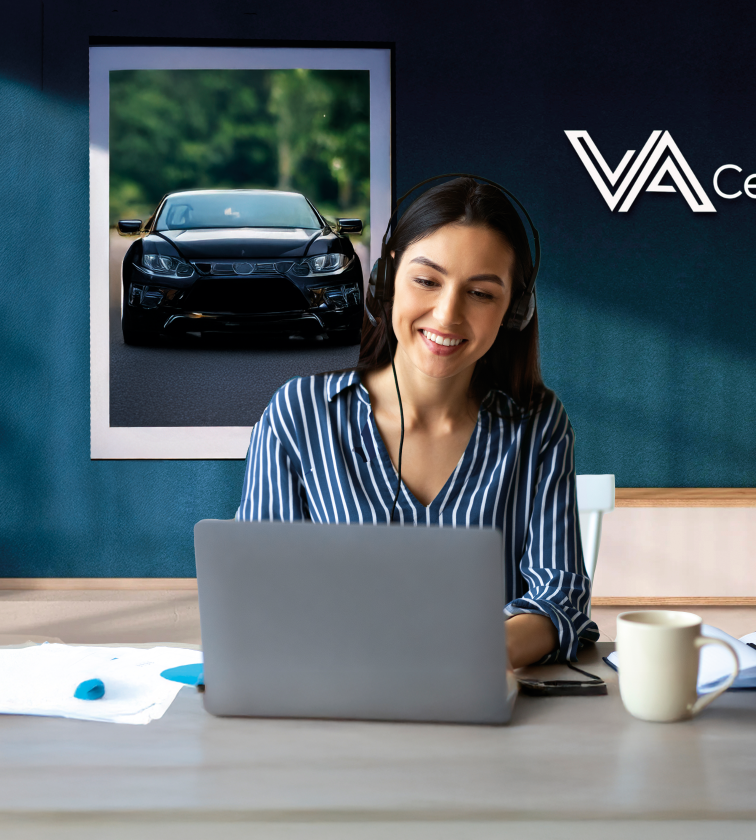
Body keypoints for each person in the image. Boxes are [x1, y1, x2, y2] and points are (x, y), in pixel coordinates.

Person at [236, 177, 598, 668]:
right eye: (427, 281)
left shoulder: (537, 425)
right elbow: (260, 594)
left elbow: (561, 597)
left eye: (481, 294)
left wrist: (479, 654)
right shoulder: (297, 416)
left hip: (484, 702)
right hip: (333, 699)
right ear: (386, 280)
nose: (447, 315)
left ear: (513, 310)